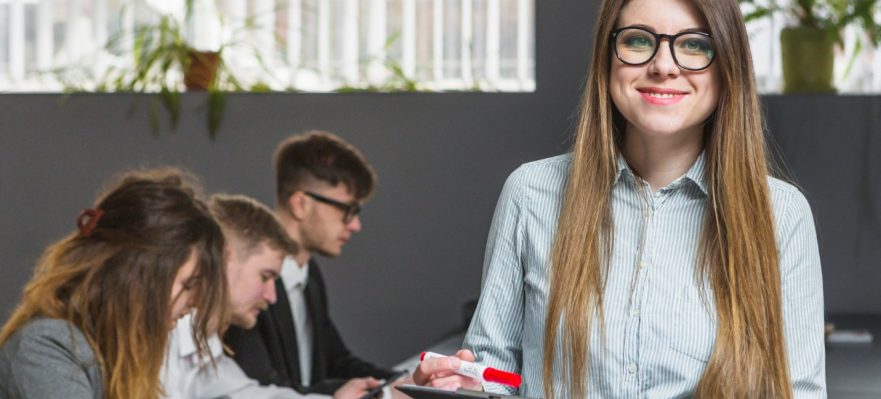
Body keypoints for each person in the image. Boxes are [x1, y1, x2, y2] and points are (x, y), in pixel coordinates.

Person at [413, 0, 825, 398]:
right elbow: (497, 373)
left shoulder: (780, 215)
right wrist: (464, 386)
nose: (664, 65)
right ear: (607, 56)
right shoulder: (530, 194)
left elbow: (798, 392)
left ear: (727, 65)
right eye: (638, 40)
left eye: (695, 44)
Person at [0, 168, 228, 399]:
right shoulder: (45, 348)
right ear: (136, 274)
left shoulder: (115, 355)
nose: (196, 302)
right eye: (188, 285)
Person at [225, 131, 398, 395]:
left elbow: (337, 361)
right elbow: (262, 390)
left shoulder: (308, 273)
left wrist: (409, 381)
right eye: (347, 210)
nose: (355, 225)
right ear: (301, 204)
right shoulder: (247, 286)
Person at [162, 194, 381, 399]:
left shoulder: (202, 341)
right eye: (265, 277)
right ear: (225, 258)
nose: (272, 296)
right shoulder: (166, 333)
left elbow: (250, 395)